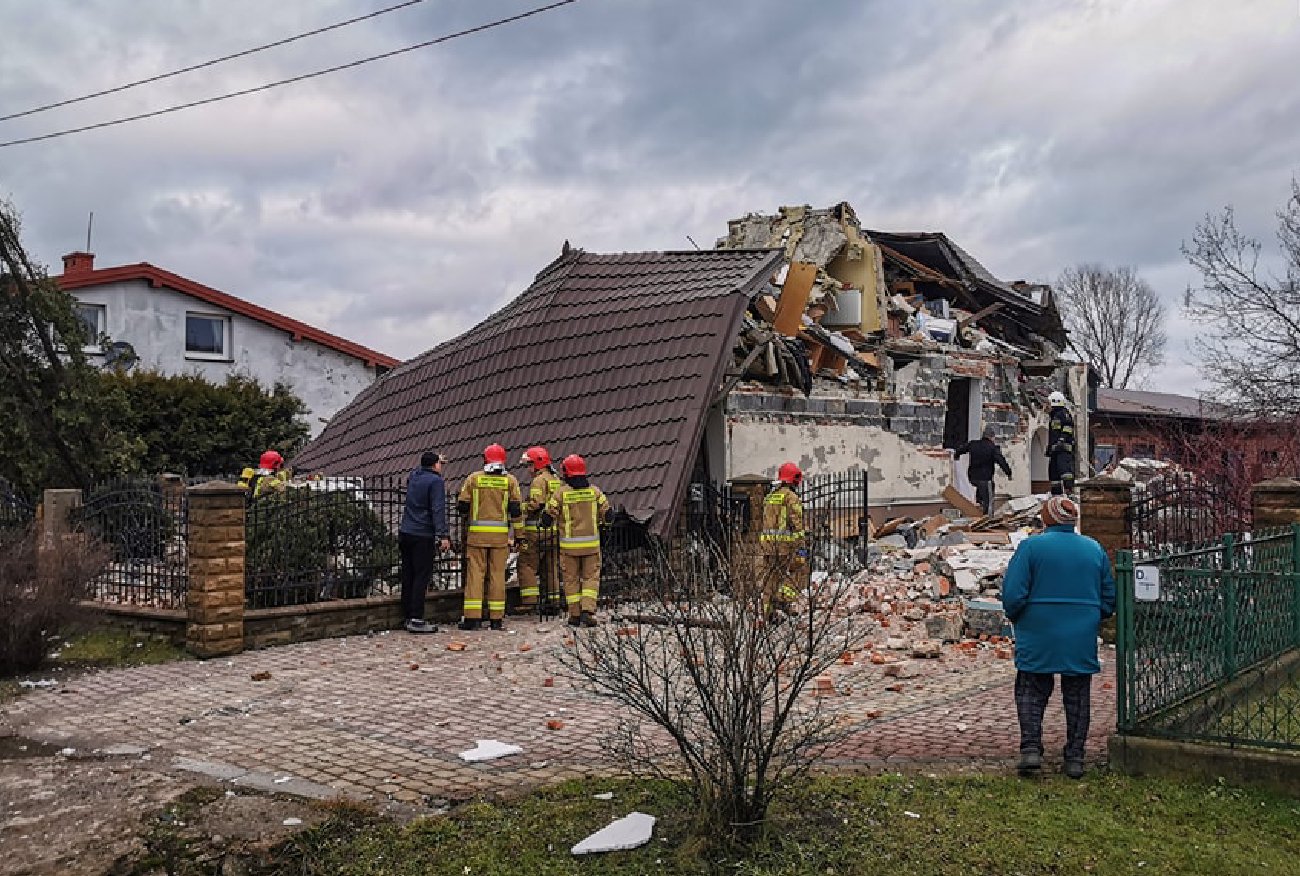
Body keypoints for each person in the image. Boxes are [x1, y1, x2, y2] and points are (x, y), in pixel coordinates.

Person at [1002, 495, 1115, 779]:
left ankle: (1030, 749)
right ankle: (1075, 756)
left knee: (1030, 689)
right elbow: (1109, 596)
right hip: (1080, 631)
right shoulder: (1094, 549)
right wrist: (1090, 616)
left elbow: (1013, 594)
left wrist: (1020, 617)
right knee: (1077, 695)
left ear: (1046, 518)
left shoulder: (1031, 548)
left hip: (1037, 629)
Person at [456, 443, 522, 631]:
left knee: (475, 576)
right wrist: (519, 535)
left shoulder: (474, 479)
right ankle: (496, 619)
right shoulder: (510, 481)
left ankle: (473, 619)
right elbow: (516, 511)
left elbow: (462, 506)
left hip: (477, 537)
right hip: (500, 539)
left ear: (485, 459)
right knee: (497, 576)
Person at [543, 453, 610, 628]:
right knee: (590, 579)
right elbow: (608, 514)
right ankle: (588, 611)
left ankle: (574, 615)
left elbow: (547, 517)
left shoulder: (561, 494)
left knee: (570, 579)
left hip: (569, 547)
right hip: (591, 546)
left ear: (566, 472)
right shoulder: (595, 492)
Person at [398, 451, 449, 634]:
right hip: (422, 534)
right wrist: (443, 535)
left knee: (408, 574)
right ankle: (416, 618)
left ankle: (406, 615)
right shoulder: (436, 482)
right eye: (440, 463)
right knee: (421, 576)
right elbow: (437, 509)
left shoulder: (414, 476)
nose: (441, 467)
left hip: (406, 531)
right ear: (435, 464)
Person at [514, 446, 561, 615]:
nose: (528, 469)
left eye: (529, 465)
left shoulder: (539, 481)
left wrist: (519, 508)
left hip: (536, 532)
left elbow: (536, 504)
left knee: (526, 564)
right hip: (555, 531)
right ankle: (554, 602)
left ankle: (529, 602)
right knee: (551, 567)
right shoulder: (556, 479)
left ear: (538, 463)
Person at [760, 462, 805, 620]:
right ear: (794, 479)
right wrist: (801, 546)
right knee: (794, 573)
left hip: (767, 546)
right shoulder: (791, 497)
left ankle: (767, 613)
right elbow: (797, 523)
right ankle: (782, 601)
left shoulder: (770, 497)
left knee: (770, 579)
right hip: (784, 546)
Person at [953, 426, 1013, 516]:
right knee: (988, 501)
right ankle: (988, 519)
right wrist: (1008, 473)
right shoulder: (992, 448)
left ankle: (978, 511)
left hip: (973, 478)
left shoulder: (973, 444)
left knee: (980, 494)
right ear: (992, 437)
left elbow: (961, 449)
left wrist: (956, 455)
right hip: (985, 478)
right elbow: (1001, 461)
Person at [1046, 390, 1077, 496]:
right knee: (1053, 473)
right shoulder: (1054, 416)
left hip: (1063, 450)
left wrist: (1061, 440)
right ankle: (1057, 496)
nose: (1047, 406)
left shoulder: (1063, 414)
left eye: (1049, 403)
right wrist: (1050, 448)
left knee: (1065, 472)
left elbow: (1068, 427)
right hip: (1055, 450)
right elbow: (1053, 434)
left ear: (1055, 402)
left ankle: (1070, 494)